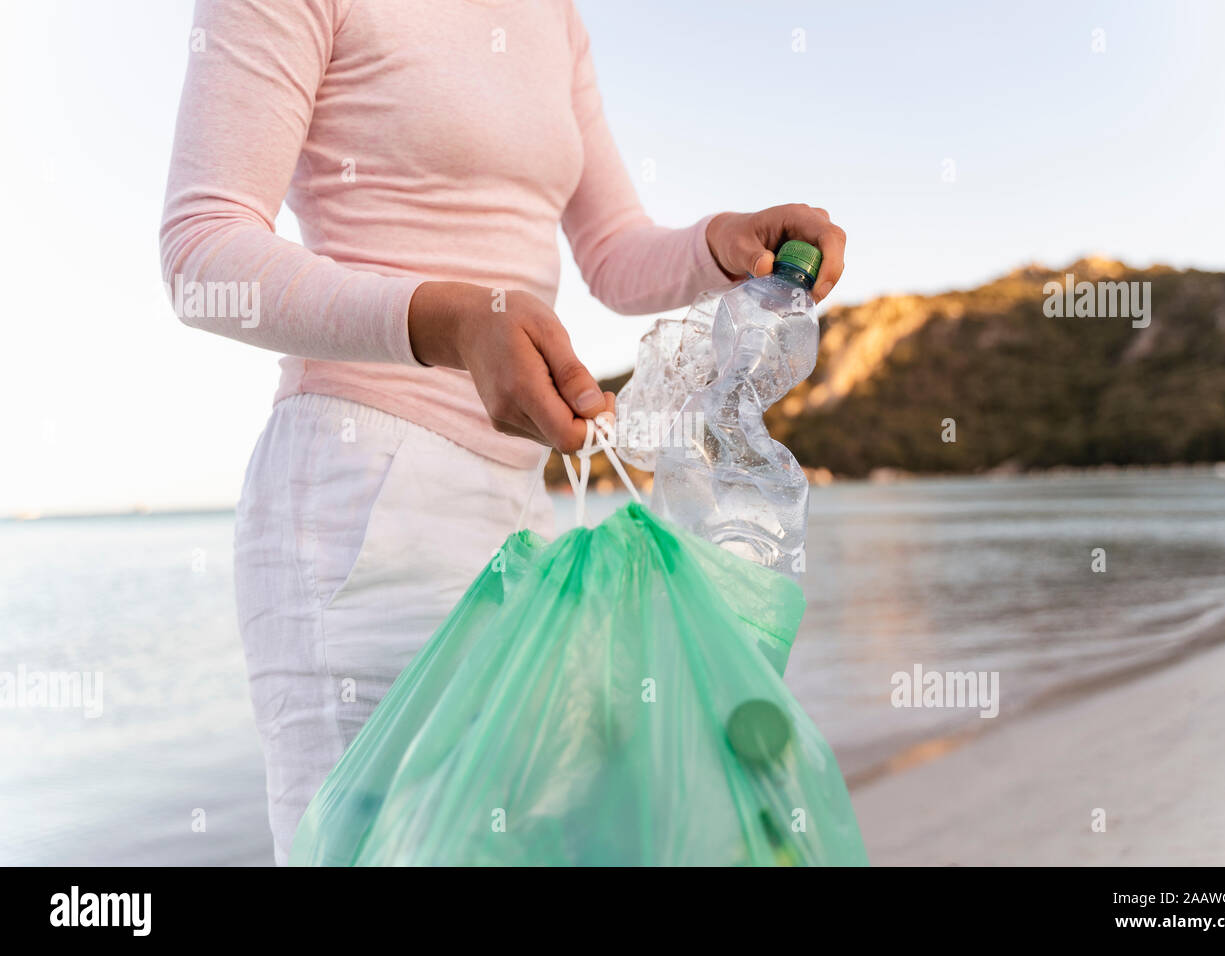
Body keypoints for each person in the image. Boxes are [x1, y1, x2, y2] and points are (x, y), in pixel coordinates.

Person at [160, 0, 846, 865]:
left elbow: (609, 248)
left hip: (523, 512)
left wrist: (722, 244)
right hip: (360, 504)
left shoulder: (551, 15)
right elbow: (202, 250)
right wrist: (454, 322)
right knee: (368, 848)